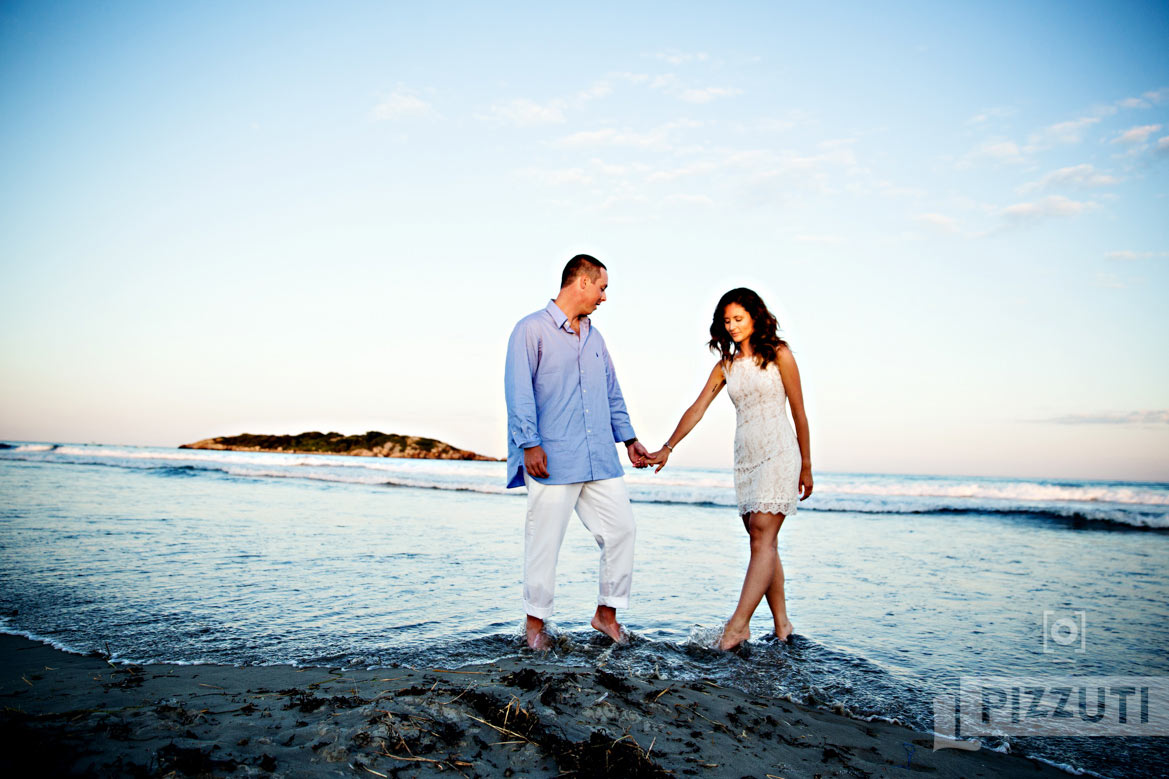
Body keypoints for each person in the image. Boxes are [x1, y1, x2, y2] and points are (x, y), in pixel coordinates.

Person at [646, 288, 812, 651]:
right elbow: (697, 407)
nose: (733, 326)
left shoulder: (780, 355)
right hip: (746, 460)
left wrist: (807, 465)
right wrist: (667, 447)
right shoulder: (726, 367)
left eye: (739, 319)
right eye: (727, 321)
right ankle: (783, 625)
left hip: (780, 453)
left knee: (760, 537)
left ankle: (738, 626)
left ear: (755, 317)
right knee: (763, 543)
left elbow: (799, 411)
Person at [504, 255, 652, 651]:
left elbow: (611, 392)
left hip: (600, 457)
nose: (604, 297)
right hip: (552, 457)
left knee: (622, 530)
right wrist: (529, 444)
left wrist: (629, 439)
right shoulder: (530, 330)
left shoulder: (595, 337)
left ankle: (607, 614)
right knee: (544, 541)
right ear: (582, 282)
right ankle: (535, 625)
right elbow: (518, 392)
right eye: (602, 287)